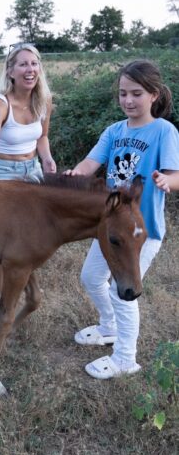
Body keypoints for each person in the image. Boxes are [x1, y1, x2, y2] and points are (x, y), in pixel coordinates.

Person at [65, 60, 179, 379]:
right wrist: (76, 174)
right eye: (123, 94)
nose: (128, 101)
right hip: (112, 227)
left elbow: (176, 175)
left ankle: (126, 359)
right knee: (90, 277)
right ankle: (109, 326)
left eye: (136, 94)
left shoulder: (164, 131)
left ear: (154, 95)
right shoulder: (114, 130)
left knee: (123, 289)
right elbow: (91, 161)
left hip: (143, 230)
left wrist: (166, 182)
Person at [0, 43, 56, 307]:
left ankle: (26, 285)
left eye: (34, 64)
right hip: (2, 171)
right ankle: (1, 292)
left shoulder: (44, 100)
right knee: (1, 235)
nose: (30, 69)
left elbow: (42, 137)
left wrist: (47, 159)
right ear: (10, 71)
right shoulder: (1, 103)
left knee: (31, 234)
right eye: (23, 64)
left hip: (31, 171)